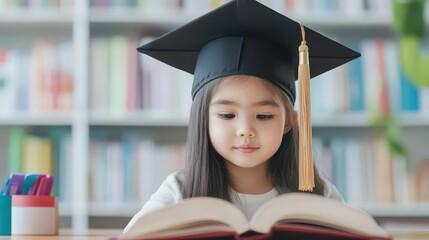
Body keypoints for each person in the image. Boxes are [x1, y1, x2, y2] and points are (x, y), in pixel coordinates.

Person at [125, 0, 360, 230]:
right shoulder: (180, 191)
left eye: (264, 116)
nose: (245, 129)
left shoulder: (320, 196)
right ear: (203, 120)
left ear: (289, 121)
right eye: (227, 115)